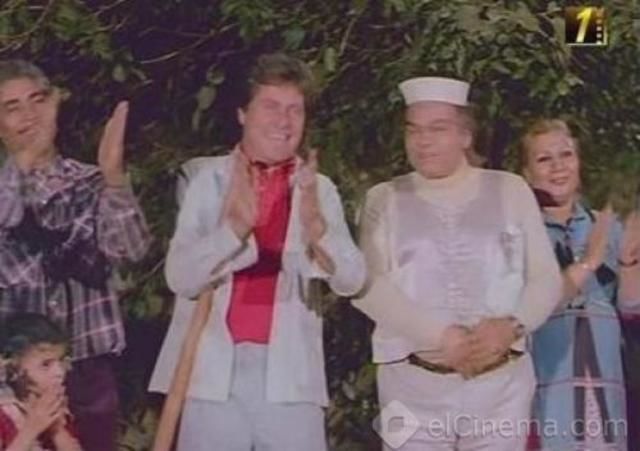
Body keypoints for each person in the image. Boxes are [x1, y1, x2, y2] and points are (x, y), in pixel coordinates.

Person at [149, 53, 366, 451]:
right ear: (242, 114)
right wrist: (233, 230)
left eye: (295, 109)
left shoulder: (317, 188)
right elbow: (179, 277)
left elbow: (352, 281)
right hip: (211, 376)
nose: (284, 121)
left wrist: (318, 232)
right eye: (271, 106)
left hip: (290, 378)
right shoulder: (207, 180)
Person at [353, 76, 563, 450]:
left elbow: (546, 277)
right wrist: (439, 336)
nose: (423, 141)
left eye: (438, 129)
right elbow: (368, 287)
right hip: (408, 386)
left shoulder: (509, 189)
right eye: (414, 130)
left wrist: (513, 326)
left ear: (465, 135)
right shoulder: (384, 198)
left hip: (501, 386)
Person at [0, 60, 151, 451]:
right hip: (12, 376)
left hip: (88, 372)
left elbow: (132, 249)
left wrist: (114, 177)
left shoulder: (90, 182)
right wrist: (23, 164)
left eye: (37, 100)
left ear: (54, 104)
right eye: (12, 107)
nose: (29, 115)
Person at [520, 119, 640, 450]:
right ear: (527, 173)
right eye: (544, 159)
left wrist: (629, 262)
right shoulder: (520, 233)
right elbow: (532, 306)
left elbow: (630, 307)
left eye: (566, 155)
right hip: (547, 385)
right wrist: (590, 260)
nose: (558, 166)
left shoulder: (606, 225)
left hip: (605, 386)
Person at [0, 312, 81, 451]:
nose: (59, 372)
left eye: (61, 361)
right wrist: (32, 428)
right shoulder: (4, 413)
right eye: (46, 364)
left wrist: (57, 430)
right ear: (13, 367)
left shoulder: (58, 408)